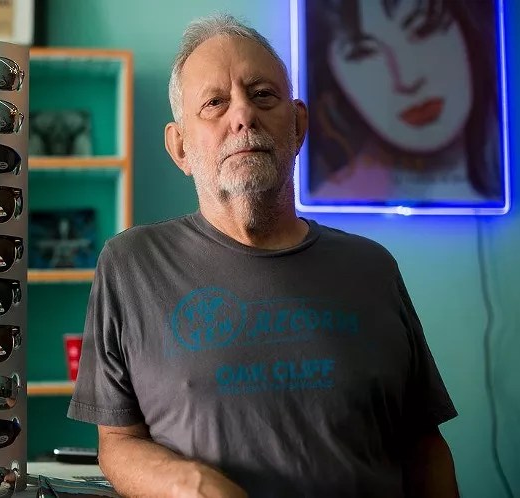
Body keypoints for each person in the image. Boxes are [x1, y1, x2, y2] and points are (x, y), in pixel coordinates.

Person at [68, 13, 459, 498]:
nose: (243, 116)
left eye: (263, 95)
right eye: (214, 103)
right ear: (180, 147)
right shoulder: (131, 266)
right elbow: (118, 443)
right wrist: (190, 484)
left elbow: (423, 444)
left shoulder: (373, 269)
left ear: (298, 125)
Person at [305, 0, 503, 205]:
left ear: (468, 28)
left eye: (424, 29)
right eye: (364, 52)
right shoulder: (332, 203)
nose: (407, 80)